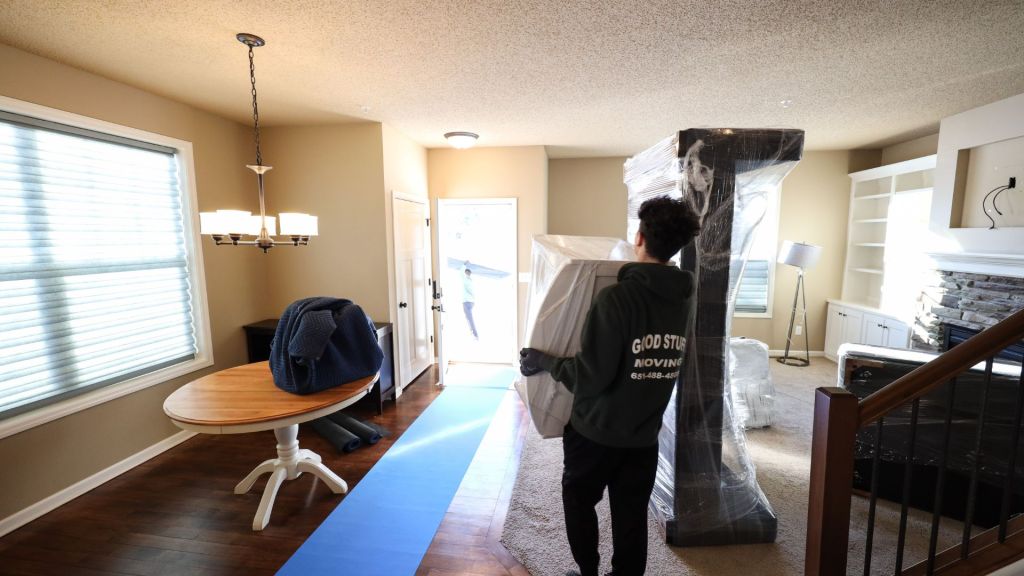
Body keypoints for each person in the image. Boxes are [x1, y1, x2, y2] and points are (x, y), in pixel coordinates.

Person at [519, 195, 701, 576]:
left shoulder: (617, 297)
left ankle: (587, 572)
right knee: (630, 514)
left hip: (596, 433)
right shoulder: (683, 298)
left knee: (579, 500)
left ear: (639, 237)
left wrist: (544, 362)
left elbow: (591, 377)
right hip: (644, 436)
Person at [462, 263, 479, 340]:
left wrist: (464, 265)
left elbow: (461, 272)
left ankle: (475, 334)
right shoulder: (471, 280)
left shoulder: (465, 280)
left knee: (469, 318)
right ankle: (473, 333)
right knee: (469, 318)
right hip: (471, 302)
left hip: (466, 302)